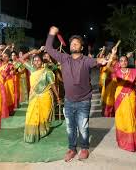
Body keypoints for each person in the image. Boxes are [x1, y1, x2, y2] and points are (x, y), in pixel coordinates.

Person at [45, 26, 107, 162]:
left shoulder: (86, 60)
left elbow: (97, 61)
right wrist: (51, 34)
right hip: (69, 101)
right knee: (70, 128)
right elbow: (48, 48)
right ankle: (72, 149)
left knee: (83, 127)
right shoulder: (64, 58)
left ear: (81, 48)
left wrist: (101, 61)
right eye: (72, 43)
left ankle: (84, 147)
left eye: (77, 43)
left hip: (84, 101)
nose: (73, 45)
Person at [19, 49, 61, 143]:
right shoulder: (31, 69)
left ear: (42, 62)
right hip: (34, 97)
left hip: (45, 97)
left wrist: (58, 97)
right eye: (34, 60)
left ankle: (42, 131)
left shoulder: (47, 72)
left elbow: (53, 85)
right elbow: (21, 59)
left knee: (44, 117)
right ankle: (32, 135)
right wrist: (31, 52)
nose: (36, 62)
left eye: (38, 60)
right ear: (32, 62)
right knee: (31, 115)